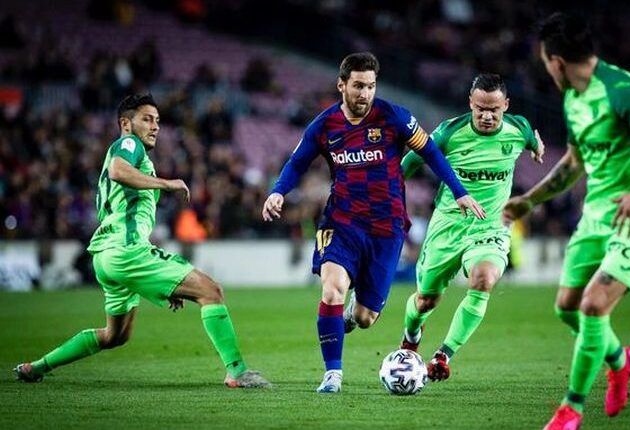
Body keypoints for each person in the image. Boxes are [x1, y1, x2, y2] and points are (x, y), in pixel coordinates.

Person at [503, 13, 630, 429]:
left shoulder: (621, 90)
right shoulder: (573, 98)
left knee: (593, 303)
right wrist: (527, 201)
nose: (546, 70)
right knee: (567, 307)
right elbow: (574, 162)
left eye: (545, 62)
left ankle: (571, 409)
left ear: (556, 60)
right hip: (599, 214)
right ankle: (620, 362)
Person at [262, 52, 483, 393]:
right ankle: (333, 374)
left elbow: (430, 153)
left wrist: (458, 191)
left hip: (386, 228)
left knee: (366, 318)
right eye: (358, 86)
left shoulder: (393, 116)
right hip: (342, 222)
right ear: (342, 85)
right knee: (333, 287)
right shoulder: (324, 126)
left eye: (370, 86)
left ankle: (350, 317)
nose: (365, 93)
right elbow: (296, 163)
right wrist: (278, 192)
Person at [14, 94, 270, 389]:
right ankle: (237, 371)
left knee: (115, 336)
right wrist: (167, 182)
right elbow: (118, 171)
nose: (155, 126)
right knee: (210, 291)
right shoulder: (128, 144)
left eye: (158, 121)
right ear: (126, 123)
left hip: (107, 256)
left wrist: (167, 283)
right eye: (147, 119)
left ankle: (36, 367)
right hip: (126, 251)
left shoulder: (136, 156)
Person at [399, 73, 545, 381]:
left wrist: (536, 146)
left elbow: (532, 138)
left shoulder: (518, 128)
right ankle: (411, 339)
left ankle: (443, 356)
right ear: (470, 103)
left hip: (490, 227)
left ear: (506, 105)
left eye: (494, 109)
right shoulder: (449, 132)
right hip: (448, 225)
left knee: (484, 278)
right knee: (426, 300)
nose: (487, 115)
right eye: (480, 108)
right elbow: (408, 164)